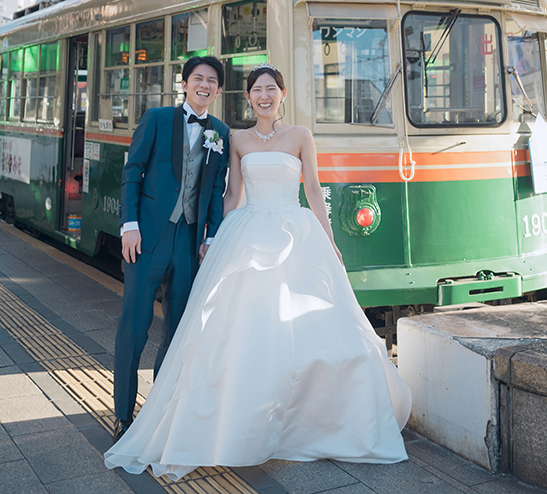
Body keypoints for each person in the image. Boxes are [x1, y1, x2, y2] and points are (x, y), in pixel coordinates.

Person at [105, 64, 411, 480]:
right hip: (218, 232)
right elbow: (229, 193)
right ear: (246, 97)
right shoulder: (230, 136)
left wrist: (330, 240)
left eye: (271, 89)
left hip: (289, 231)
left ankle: (289, 418)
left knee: (216, 331)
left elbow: (312, 190)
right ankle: (128, 416)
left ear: (282, 94)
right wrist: (214, 239)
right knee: (151, 328)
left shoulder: (297, 136)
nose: (264, 96)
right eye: (256, 90)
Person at [112, 56, 230, 442]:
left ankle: (158, 412)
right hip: (146, 238)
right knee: (135, 326)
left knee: (177, 331)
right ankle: (123, 416)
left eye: (212, 80)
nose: (204, 85)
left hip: (189, 241)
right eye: (198, 78)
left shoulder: (221, 133)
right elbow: (132, 172)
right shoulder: (158, 119)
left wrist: (211, 237)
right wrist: (129, 225)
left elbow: (215, 190)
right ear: (184, 83)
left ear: (218, 89)